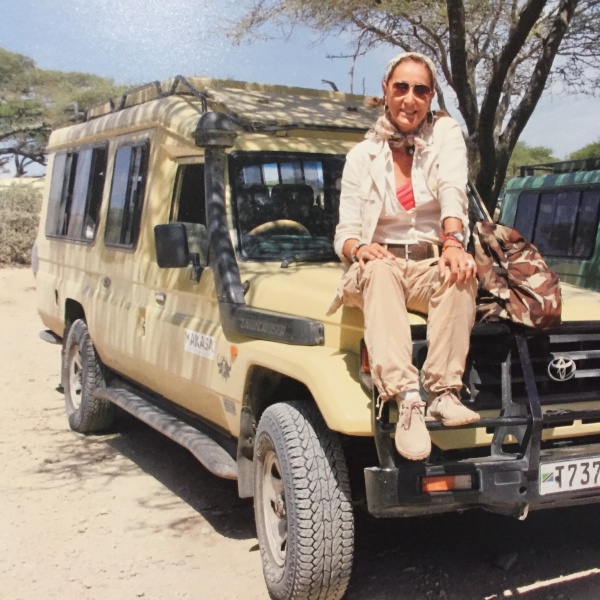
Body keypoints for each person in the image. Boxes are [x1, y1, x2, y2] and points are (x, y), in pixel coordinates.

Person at [329, 52, 480, 461]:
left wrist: (454, 243)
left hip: (429, 260)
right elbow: (345, 233)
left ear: (430, 96)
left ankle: (444, 392)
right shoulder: (362, 156)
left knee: (461, 273)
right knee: (379, 270)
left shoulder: (444, 134)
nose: (410, 99)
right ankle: (407, 399)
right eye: (401, 88)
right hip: (380, 266)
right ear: (386, 91)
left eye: (421, 90)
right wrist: (360, 248)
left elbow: (453, 189)